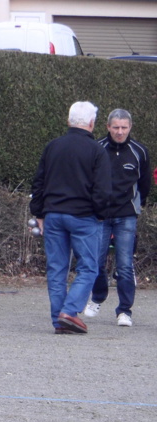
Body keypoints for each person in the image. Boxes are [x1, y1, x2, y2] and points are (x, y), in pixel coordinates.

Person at [30, 101, 112, 335]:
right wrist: (99, 214)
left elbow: (39, 183)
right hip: (83, 217)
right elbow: (103, 190)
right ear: (92, 123)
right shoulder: (97, 151)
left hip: (54, 215)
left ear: (68, 121)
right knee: (88, 268)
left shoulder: (52, 147)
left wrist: (39, 212)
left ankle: (59, 321)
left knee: (57, 269)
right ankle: (69, 311)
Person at [82, 109, 151, 327]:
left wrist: (135, 205)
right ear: (108, 127)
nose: (120, 132)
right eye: (116, 127)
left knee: (125, 264)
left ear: (130, 128)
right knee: (96, 261)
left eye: (124, 128)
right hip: (100, 215)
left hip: (126, 215)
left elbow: (145, 184)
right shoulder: (97, 148)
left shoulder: (140, 151)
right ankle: (98, 297)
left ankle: (124, 311)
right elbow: (88, 179)